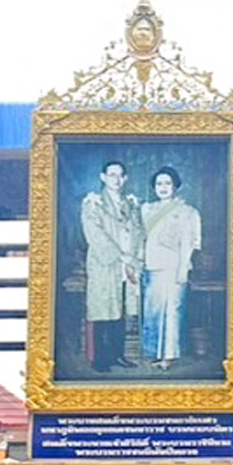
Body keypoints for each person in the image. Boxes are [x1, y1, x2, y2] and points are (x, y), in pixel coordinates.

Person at [140, 166, 202, 369]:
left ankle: (168, 357)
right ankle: (155, 354)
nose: (163, 187)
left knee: (171, 313)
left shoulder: (187, 212)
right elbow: (139, 238)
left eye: (167, 183)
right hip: (151, 266)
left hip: (173, 266)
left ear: (175, 185)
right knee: (153, 312)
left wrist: (184, 268)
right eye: (159, 184)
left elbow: (189, 242)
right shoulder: (146, 209)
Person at [80, 158, 140, 370]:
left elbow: (137, 232)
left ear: (125, 179)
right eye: (111, 175)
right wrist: (119, 255)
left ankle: (118, 355)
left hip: (126, 267)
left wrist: (133, 258)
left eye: (119, 175)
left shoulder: (129, 204)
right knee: (102, 311)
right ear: (103, 177)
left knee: (120, 313)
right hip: (105, 264)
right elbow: (94, 234)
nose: (115, 179)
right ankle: (100, 360)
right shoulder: (93, 203)